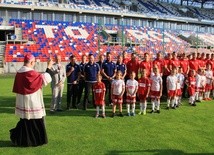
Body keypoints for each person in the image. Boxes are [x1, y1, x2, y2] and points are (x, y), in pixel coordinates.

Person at [10, 53, 52, 147]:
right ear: (32, 62)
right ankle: (36, 140)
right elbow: (45, 79)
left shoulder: (19, 72)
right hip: (32, 100)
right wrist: (48, 66)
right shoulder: (31, 73)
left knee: (25, 120)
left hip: (22, 99)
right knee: (35, 120)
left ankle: (22, 140)